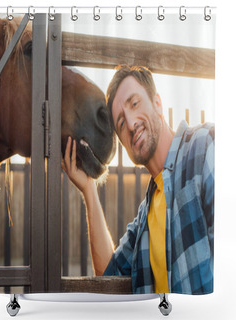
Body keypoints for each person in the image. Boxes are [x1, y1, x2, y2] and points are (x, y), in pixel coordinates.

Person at [62, 65, 214, 295]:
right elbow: (107, 276)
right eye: (121, 123)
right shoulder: (145, 218)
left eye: (134, 104)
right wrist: (88, 190)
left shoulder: (205, 146)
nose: (132, 124)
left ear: (158, 103)